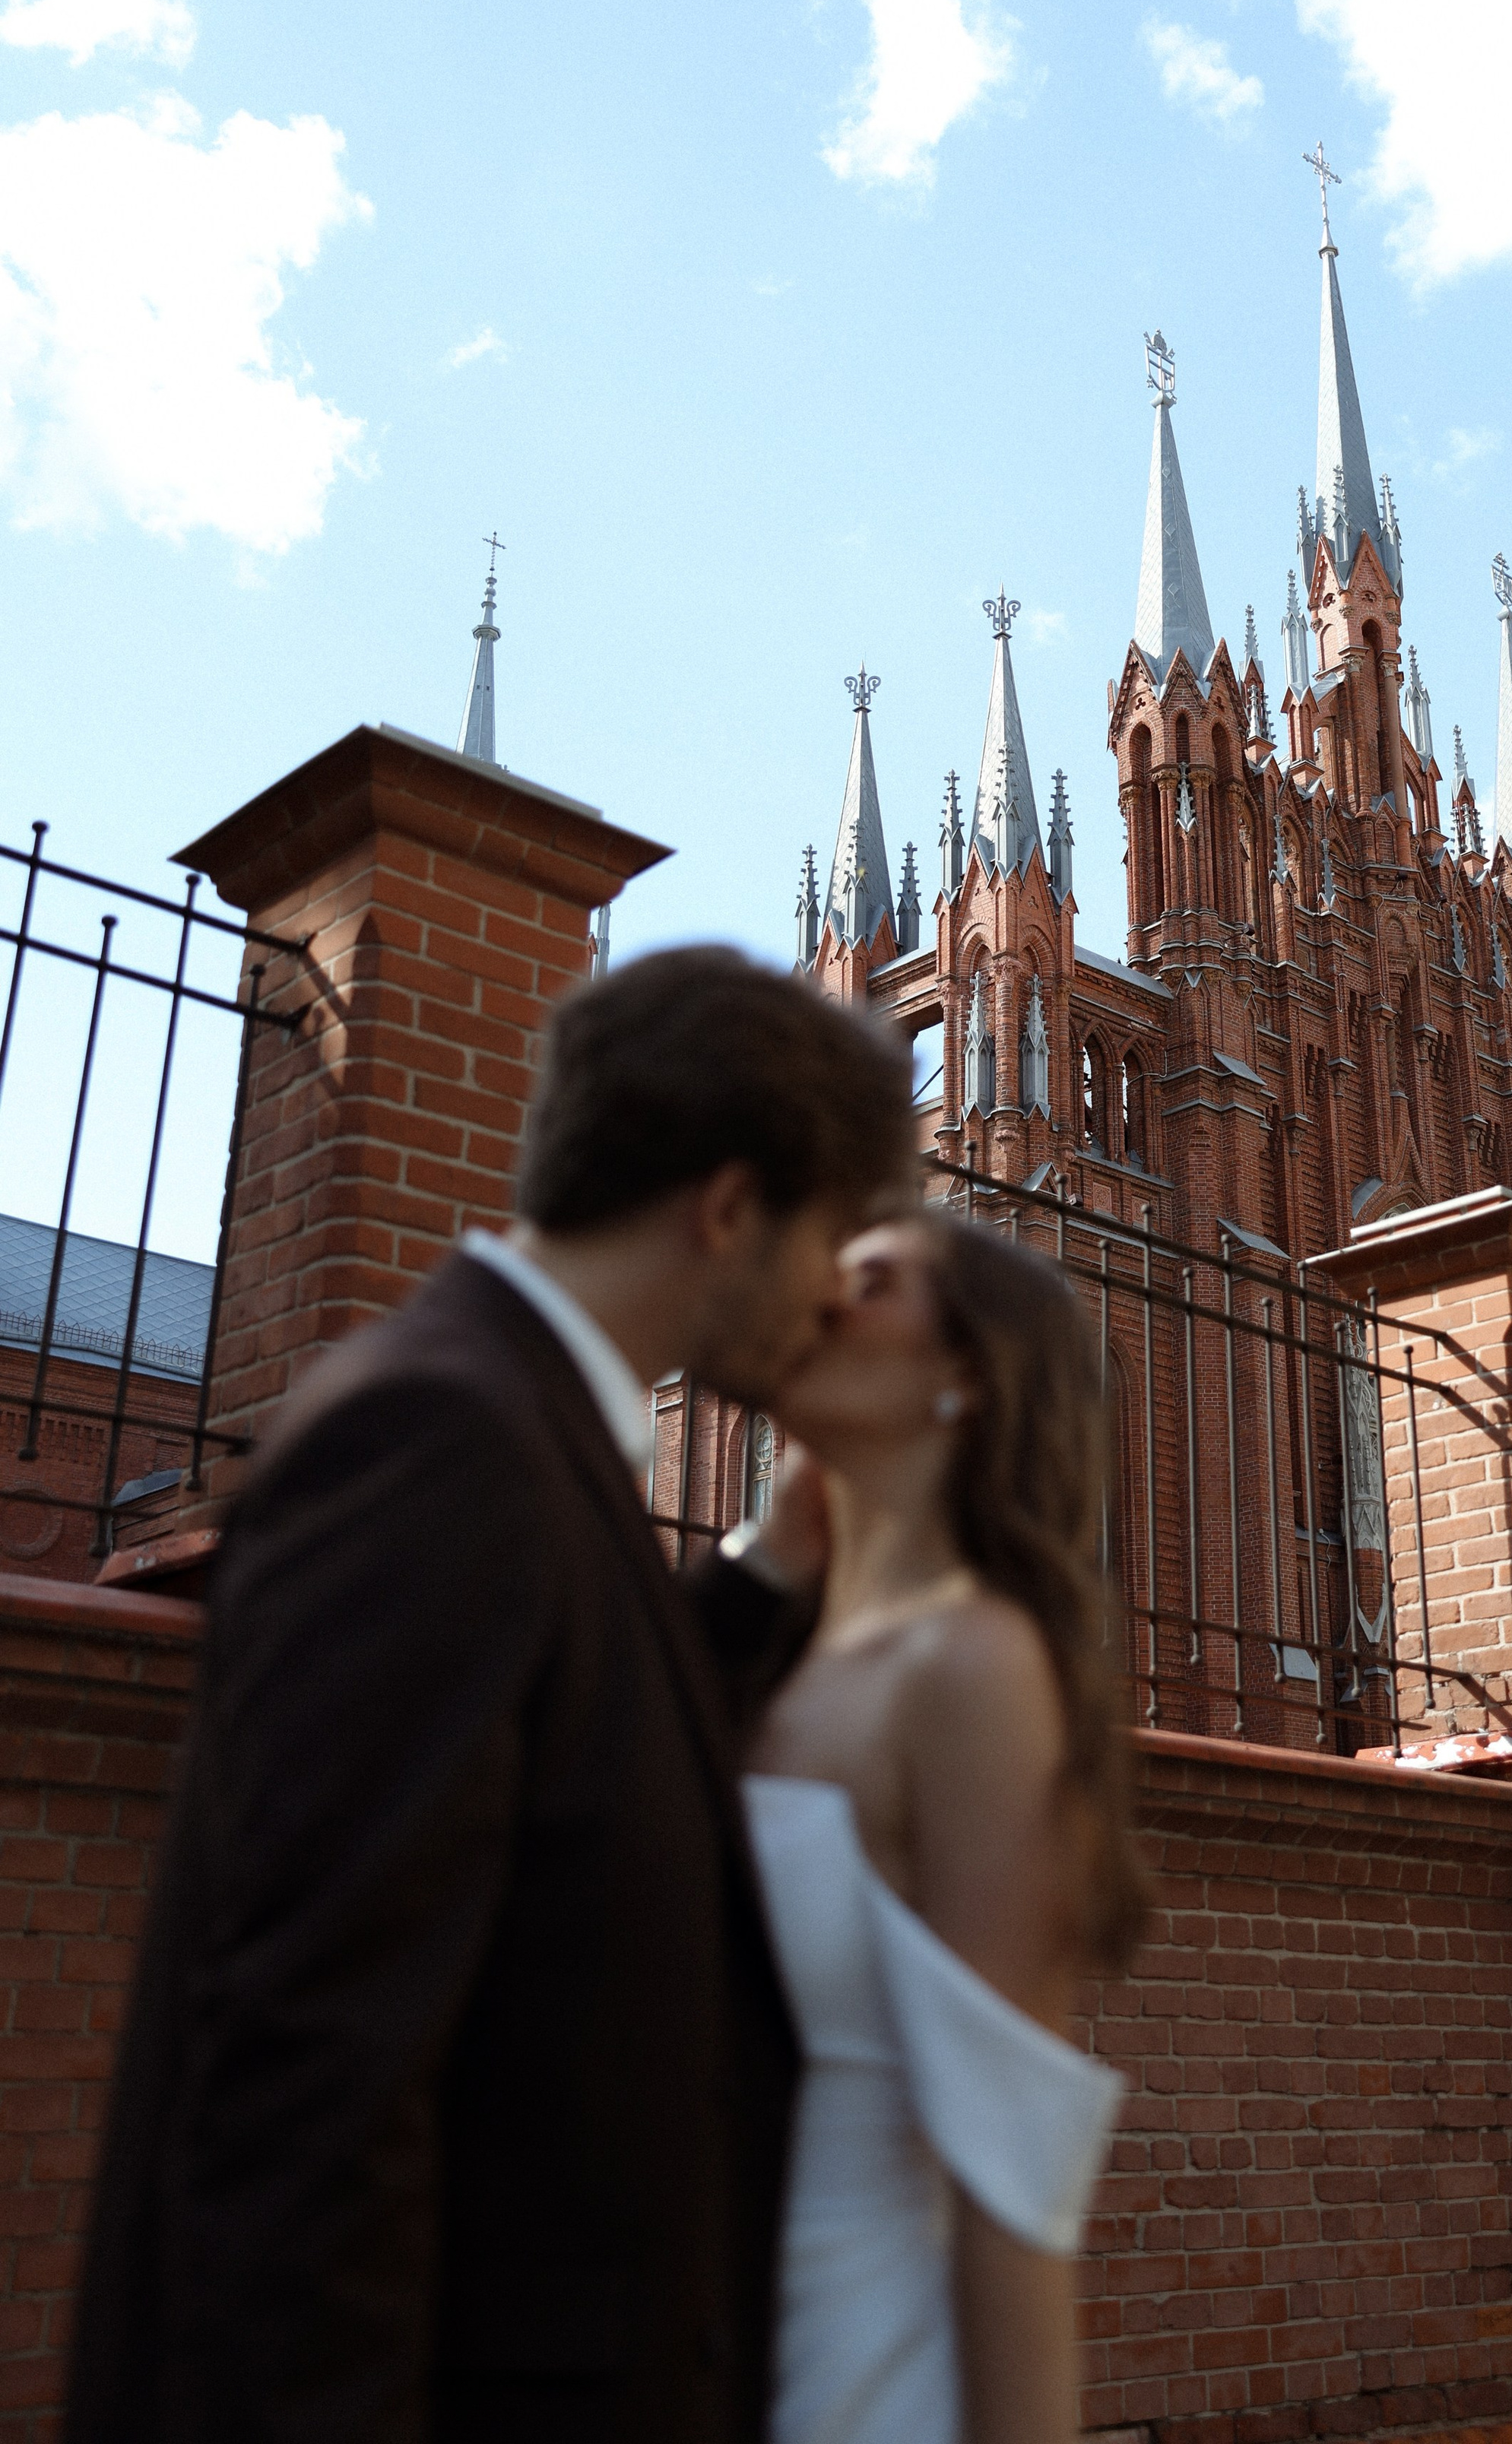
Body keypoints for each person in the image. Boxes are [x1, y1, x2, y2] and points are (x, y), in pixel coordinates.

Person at [68, 944, 914, 2444]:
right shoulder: (444, 1442)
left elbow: (561, 1784)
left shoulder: (509, 1427)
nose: (834, 1301)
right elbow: (307, 2096)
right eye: (835, 1239)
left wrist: (764, 1575)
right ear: (728, 1208)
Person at [741, 1209, 1150, 2444]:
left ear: (966, 1379)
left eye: (871, 1282)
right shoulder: (775, 1651)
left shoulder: (976, 1669)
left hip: (851, 2379)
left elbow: (1009, 2190)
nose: (817, 1291)